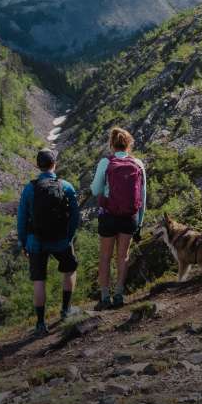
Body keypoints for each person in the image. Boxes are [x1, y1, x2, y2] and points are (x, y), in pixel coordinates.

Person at [16, 148, 81, 338]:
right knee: (70, 269)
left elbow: (21, 218)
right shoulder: (66, 186)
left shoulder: (30, 188)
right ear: (55, 165)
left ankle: (40, 324)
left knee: (39, 280)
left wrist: (23, 242)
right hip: (61, 240)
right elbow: (75, 216)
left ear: (38, 166)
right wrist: (68, 237)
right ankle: (65, 311)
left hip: (36, 241)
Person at [89, 126, 146, 309]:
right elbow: (143, 196)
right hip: (129, 217)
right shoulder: (138, 164)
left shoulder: (106, 163)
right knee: (123, 256)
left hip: (109, 216)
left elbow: (95, 190)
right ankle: (119, 294)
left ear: (112, 144)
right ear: (129, 144)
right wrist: (139, 223)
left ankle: (105, 296)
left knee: (105, 256)